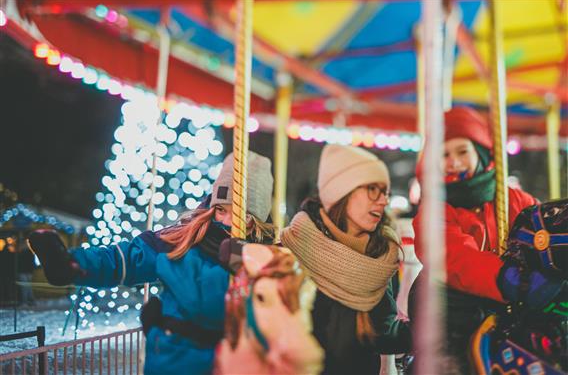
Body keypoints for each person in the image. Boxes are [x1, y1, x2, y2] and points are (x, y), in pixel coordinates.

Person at [27, 151, 275, 375]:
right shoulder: (186, 238)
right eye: (221, 209)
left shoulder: (267, 260)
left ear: (256, 220)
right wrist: (72, 264)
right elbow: (129, 257)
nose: (227, 221)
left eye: (240, 215)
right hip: (171, 364)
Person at [411, 106, 565, 372]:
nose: (454, 161)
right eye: (444, 154)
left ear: (480, 153)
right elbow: (454, 256)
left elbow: (540, 233)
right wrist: (507, 278)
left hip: (508, 310)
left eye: (462, 151)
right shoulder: (435, 208)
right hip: (454, 311)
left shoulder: (513, 199)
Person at [281, 144, 411, 375]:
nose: (382, 201)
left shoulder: (378, 257)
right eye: (372, 189)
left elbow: (383, 335)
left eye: (385, 192)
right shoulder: (294, 250)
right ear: (341, 191)